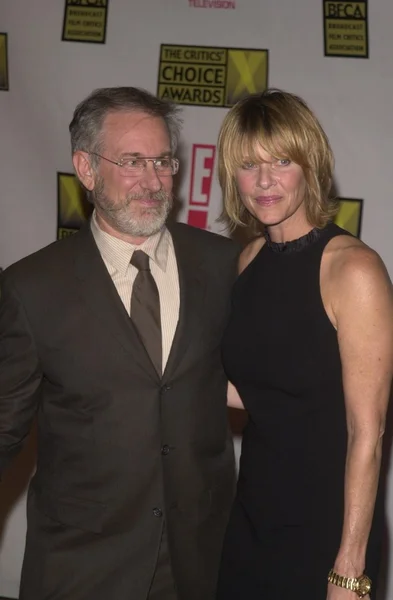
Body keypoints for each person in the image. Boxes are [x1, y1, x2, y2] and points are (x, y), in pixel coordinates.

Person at [0, 87, 240, 600]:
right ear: (86, 169)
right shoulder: (32, 287)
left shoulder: (224, 265)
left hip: (202, 562)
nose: (153, 181)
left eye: (162, 161)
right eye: (133, 162)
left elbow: (269, 386)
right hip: (82, 566)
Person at [216, 89, 393, 600]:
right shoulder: (247, 260)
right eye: (249, 164)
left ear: (310, 165)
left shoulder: (352, 269)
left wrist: (348, 569)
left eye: (282, 160)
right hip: (252, 514)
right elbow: (261, 392)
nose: (265, 180)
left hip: (328, 525)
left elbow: (368, 432)